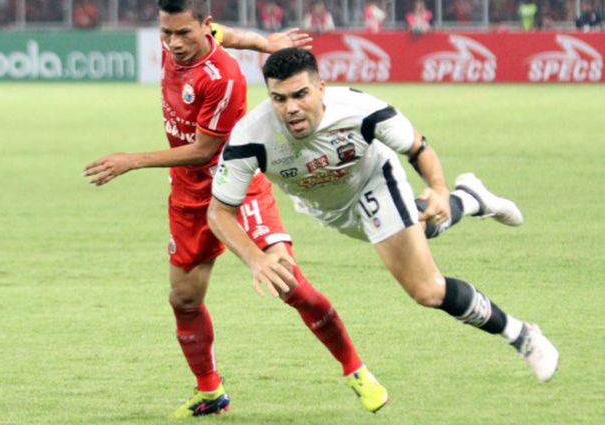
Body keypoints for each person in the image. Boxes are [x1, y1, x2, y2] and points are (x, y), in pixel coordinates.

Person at [84, 0, 383, 418]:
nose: (173, 43)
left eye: (183, 33)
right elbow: (231, 34)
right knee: (183, 299)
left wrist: (132, 159)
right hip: (188, 195)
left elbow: (205, 150)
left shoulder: (223, 77)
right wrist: (265, 42)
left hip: (237, 188)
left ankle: (355, 368)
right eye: (165, 33)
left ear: (204, 26)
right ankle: (210, 392)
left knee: (289, 285)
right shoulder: (187, 42)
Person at [207, 48, 560, 407]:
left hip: (373, 182)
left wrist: (438, 188)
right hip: (328, 209)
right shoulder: (251, 136)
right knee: (419, 232)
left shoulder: (360, 110)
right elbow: (219, 212)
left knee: (427, 289)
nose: (291, 108)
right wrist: (254, 258)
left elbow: (418, 146)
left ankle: (521, 334)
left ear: (321, 89)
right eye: (279, 99)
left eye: (300, 95)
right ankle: (470, 198)